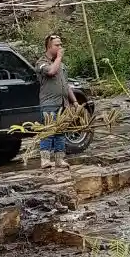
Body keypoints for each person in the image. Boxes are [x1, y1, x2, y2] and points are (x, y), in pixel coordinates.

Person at [35, 34, 79, 169]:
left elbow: (65, 84)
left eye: (61, 45)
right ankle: (45, 160)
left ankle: (60, 159)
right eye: (57, 45)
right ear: (49, 47)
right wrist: (59, 57)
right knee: (48, 131)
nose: (60, 47)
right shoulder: (41, 63)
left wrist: (75, 102)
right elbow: (51, 72)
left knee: (60, 132)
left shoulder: (62, 65)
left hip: (62, 104)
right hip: (49, 104)